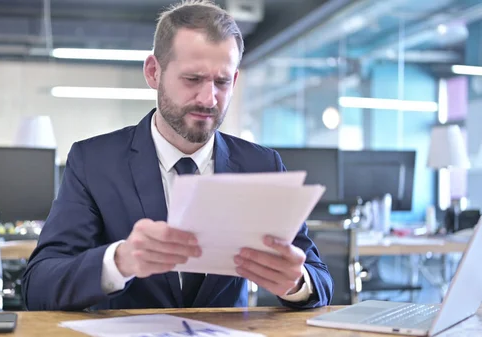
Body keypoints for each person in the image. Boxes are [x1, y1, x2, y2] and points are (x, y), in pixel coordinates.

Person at [22, 0, 333, 311]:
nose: (209, 98)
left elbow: (319, 279)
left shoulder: (262, 165)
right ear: (153, 72)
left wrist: (296, 282)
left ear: (235, 81)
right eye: (193, 79)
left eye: (222, 82)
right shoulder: (93, 162)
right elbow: (38, 285)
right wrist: (119, 262)